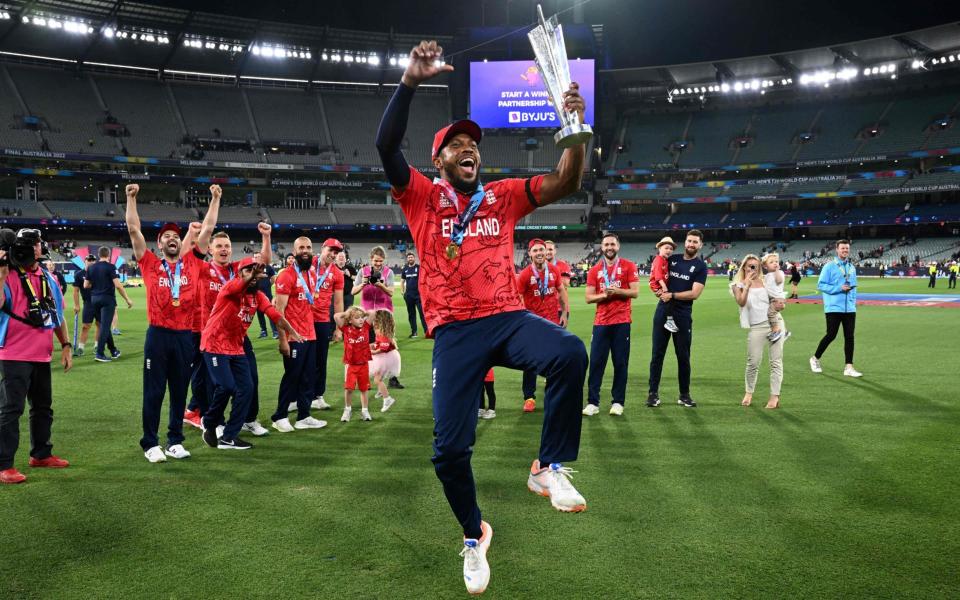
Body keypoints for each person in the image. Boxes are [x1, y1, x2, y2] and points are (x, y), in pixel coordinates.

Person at [376, 39, 589, 595]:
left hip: (507, 316)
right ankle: (474, 535)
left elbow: (566, 181)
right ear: (440, 159)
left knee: (569, 351)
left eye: (474, 143)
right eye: (457, 144)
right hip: (454, 331)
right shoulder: (420, 196)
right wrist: (409, 81)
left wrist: (575, 130)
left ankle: (547, 466)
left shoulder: (501, 196)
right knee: (449, 452)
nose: (469, 148)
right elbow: (384, 143)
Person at [125, 183, 213, 463]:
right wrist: (131, 199)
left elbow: (208, 229)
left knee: (178, 391)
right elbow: (133, 230)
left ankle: (175, 440)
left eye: (176, 236)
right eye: (166, 236)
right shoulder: (149, 263)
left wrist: (214, 199)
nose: (172, 239)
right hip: (158, 336)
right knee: (154, 391)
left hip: (185, 336)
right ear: (160, 243)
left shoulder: (192, 265)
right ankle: (150, 443)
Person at [200, 259, 301, 450]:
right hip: (214, 344)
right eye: (248, 270)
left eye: (256, 271)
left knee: (247, 388)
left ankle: (229, 437)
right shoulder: (230, 287)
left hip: (236, 347)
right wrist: (251, 276)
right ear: (240, 274)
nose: (254, 274)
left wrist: (291, 330)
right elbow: (240, 285)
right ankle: (209, 420)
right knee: (226, 386)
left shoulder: (258, 296)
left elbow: (274, 315)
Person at [0, 229, 73, 484]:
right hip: (13, 352)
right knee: (11, 409)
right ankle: (4, 465)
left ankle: (41, 454)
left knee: (43, 407)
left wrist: (65, 344)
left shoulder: (49, 277)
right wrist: (1, 271)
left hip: (42, 354)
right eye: (31, 245)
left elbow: (58, 314)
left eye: (36, 244)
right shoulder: (7, 275)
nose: (35, 249)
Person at [189, 223, 273, 436]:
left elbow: (263, 262)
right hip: (213, 335)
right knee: (213, 383)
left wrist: (265, 237)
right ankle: (214, 422)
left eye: (227, 246)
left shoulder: (238, 270)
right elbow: (191, 254)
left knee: (250, 379)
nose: (224, 249)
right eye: (219, 246)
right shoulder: (203, 269)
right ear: (210, 249)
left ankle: (248, 419)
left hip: (238, 336)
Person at [270, 237, 327, 432]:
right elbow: (279, 310)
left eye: (308, 247)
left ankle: (304, 416)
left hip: (309, 335)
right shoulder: (286, 275)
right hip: (294, 337)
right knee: (292, 377)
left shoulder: (310, 273)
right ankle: (280, 416)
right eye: (301, 247)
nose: (305, 250)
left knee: (308, 378)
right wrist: (283, 339)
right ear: (293, 252)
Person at [647, 230, 708, 408]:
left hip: (682, 315)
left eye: (695, 242)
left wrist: (671, 295)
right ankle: (652, 394)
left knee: (683, 356)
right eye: (689, 241)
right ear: (685, 242)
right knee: (657, 354)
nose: (691, 244)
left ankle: (684, 394)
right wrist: (658, 291)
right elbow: (656, 275)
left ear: (700, 245)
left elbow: (695, 293)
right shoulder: (672, 259)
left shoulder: (700, 266)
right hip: (662, 311)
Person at [583, 233, 639, 416]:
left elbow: (635, 292)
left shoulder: (629, 266)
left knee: (620, 363)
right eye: (606, 244)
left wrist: (617, 291)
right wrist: (604, 296)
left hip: (622, 322)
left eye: (612, 244)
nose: (609, 247)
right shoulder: (594, 270)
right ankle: (593, 402)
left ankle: (618, 402)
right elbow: (589, 297)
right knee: (596, 363)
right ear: (602, 246)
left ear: (618, 246)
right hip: (601, 323)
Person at [516, 238, 567, 413]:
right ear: (530, 253)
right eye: (535, 250)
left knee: (554, 359)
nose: (539, 253)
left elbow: (561, 290)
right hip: (533, 324)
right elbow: (519, 298)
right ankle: (529, 397)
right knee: (530, 361)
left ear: (546, 252)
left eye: (541, 250)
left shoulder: (554, 270)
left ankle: (552, 395)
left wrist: (565, 313)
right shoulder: (524, 275)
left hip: (552, 323)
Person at [731, 254, 784, 409]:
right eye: (750, 266)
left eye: (756, 266)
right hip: (756, 326)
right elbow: (741, 302)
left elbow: (777, 296)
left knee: (776, 361)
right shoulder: (737, 285)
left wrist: (780, 304)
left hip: (775, 323)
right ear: (744, 267)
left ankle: (775, 396)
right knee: (753, 362)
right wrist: (746, 284)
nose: (753, 268)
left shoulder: (766, 281)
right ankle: (749, 392)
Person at [353, 246, 403, 388]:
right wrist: (363, 283)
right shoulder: (363, 272)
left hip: (384, 314)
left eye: (380, 261)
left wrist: (380, 285)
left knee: (390, 346)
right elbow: (353, 291)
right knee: (366, 346)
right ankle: (365, 379)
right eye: (376, 261)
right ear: (371, 259)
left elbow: (391, 292)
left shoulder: (389, 272)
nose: (378, 264)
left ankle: (393, 378)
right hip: (367, 314)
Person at [810, 239, 861, 378]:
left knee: (849, 337)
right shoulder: (829, 266)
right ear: (837, 250)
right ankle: (815, 358)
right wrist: (839, 288)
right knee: (831, 334)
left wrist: (852, 301)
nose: (845, 250)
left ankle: (849, 367)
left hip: (849, 308)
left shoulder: (851, 267)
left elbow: (854, 286)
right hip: (833, 307)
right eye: (842, 248)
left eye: (847, 248)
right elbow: (821, 285)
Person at [305, 238, 344, 412]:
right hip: (302, 318)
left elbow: (338, 302)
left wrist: (338, 328)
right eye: (330, 250)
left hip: (321, 321)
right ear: (322, 248)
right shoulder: (307, 263)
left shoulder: (337, 273)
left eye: (336, 252)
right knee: (301, 360)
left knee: (321, 360)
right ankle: (296, 396)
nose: (333, 254)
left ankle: (318, 396)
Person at [84, 245, 133, 362]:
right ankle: (99, 353)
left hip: (94, 299)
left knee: (103, 325)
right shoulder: (111, 267)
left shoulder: (91, 268)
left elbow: (86, 285)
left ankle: (113, 350)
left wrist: (96, 285)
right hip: (107, 299)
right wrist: (127, 299)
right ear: (109, 255)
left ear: (99, 255)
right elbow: (118, 285)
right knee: (105, 327)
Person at [334, 306, 375, 422]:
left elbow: (373, 313)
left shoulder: (366, 327)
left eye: (362, 317)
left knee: (364, 389)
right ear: (350, 320)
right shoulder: (346, 329)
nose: (361, 320)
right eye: (357, 318)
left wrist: (362, 312)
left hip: (363, 364)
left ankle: (365, 410)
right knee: (349, 389)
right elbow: (336, 316)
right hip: (351, 365)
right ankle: (347, 410)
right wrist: (347, 314)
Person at [369, 309, 400, 412]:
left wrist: (372, 352)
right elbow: (380, 343)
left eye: (376, 320)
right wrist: (373, 345)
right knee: (378, 376)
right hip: (388, 356)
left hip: (385, 357)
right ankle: (380, 390)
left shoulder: (382, 332)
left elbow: (383, 348)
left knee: (377, 379)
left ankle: (387, 399)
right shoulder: (384, 331)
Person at [649, 236, 679, 334]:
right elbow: (657, 275)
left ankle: (669, 320)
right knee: (668, 299)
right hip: (658, 284)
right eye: (666, 248)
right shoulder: (659, 259)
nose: (669, 250)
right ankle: (669, 321)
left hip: (659, 284)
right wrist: (664, 287)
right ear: (660, 248)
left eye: (671, 249)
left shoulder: (664, 260)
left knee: (667, 300)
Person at [71, 254, 97, 356]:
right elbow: (75, 291)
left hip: (99, 302)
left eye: (93, 260)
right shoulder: (79, 274)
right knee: (85, 326)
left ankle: (97, 346)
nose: (91, 262)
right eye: (89, 260)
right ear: (85, 261)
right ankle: (81, 348)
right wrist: (76, 305)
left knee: (99, 324)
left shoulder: (99, 273)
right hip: (88, 303)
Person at [761, 253, 789, 343]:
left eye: (776, 262)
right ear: (765, 266)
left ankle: (776, 331)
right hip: (773, 300)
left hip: (777, 300)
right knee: (774, 315)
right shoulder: (768, 275)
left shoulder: (779, 273)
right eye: (771, 262)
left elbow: (779, 280)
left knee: (771, 314)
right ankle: (784, 332)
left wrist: (777, 271)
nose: (775, 263)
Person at [400, 252, 427, 337]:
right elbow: (402, 281)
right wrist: (402, 291)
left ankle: (427, 332)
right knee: (411, 314)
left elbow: (424, 280)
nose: (410, 259)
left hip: (418, 295)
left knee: (422, 314)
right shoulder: (405, 269)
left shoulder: (419, 268)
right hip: (409, 295)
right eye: (409, 257)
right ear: (407, 259)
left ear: (414, 258)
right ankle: (414, 332)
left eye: (411, 257)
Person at [544, 240, 573, 324]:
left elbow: (565, 283)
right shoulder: (538, 266)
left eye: (550, 249)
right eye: (545, 249)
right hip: (543, 308)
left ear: (555, 251)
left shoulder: (563, 265)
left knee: (559, 336)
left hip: (560, 308)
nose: (548, 252)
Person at [253, 251, 279, 339]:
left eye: (258, 256)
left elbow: (273, 278)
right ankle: (263, 331)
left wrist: (269, 284)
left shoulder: (267, 267)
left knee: (271, 314)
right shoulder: (252, 268)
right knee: (260, 315)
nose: (257, 258)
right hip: (256, 296)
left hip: (268, 295)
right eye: (255, 257)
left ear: (262, 257)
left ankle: (275, 331)